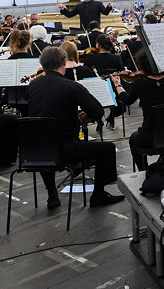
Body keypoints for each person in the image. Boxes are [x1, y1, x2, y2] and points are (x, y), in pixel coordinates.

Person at [27, 47, 124, 208]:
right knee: (107, 149)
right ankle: (98, 196)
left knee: (47, 140)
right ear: (64, 63)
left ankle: (52, 195)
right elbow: (97, 111)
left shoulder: (33, 85)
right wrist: (82, 116)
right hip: (67, 149)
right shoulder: (71, 86)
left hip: (38, 151)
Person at [113, 50, 164, 170]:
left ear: (142, 65)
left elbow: (126, 100)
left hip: (149, 135)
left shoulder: (140, 84)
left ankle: (144, 170)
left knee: (133, 139)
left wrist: (117, 84)